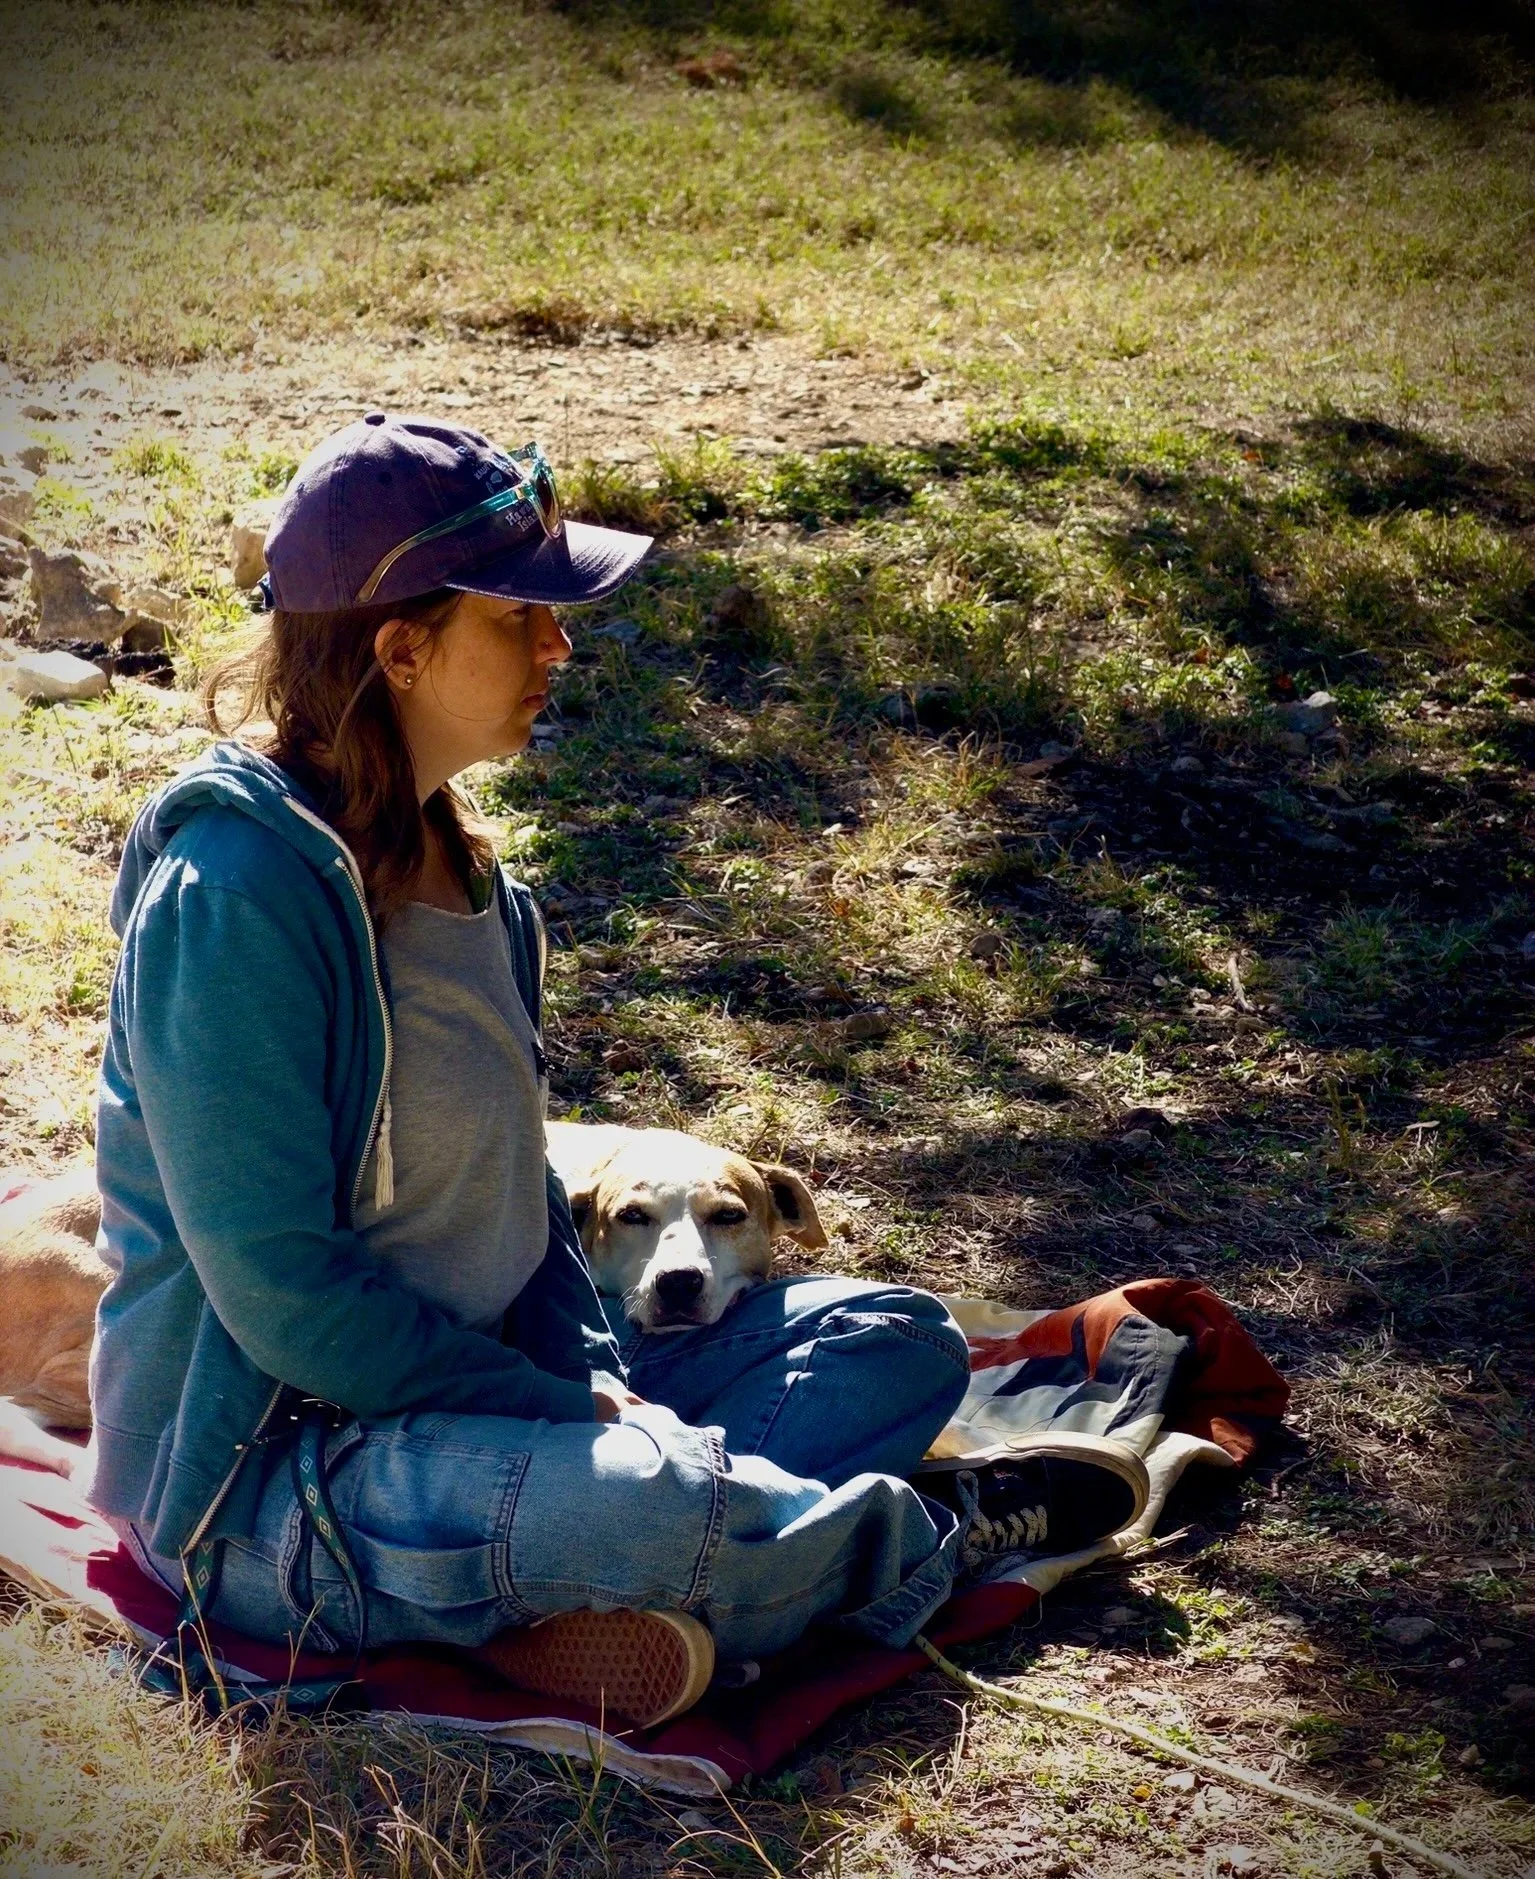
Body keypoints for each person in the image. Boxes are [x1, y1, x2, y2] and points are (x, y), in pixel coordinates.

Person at [83, 414, 1141, 1729]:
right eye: (519, 616)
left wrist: (598, 1372)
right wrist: (563, 1412)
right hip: (283, 1475)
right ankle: (915, 1532)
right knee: (645, 1498)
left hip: (488, 1391)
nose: (558, 646)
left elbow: (508, 1198)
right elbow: (286, 1303)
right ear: (399, 648)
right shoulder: (236, 893)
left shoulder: (478, 884)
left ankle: (628, 1579)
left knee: (894, 1338)